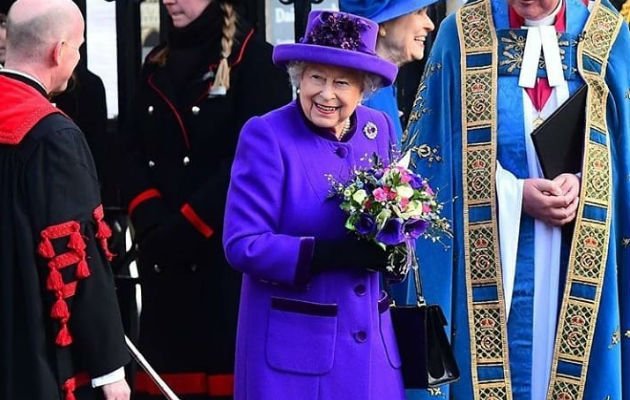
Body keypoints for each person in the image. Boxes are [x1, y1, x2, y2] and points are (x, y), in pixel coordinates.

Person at [404, 0, 630, 397]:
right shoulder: (459, 35)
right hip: (488, 254)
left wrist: (586, 180)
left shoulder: (606, 35)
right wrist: (510, 193)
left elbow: (623, 146)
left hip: (577, 246)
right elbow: (428, 156)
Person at [223, 10, 405, 400]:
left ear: (364, 88)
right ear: (298, 77)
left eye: (341, 82)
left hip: (372, 350)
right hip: (296, 359)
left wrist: (397, 250)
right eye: (315, 77)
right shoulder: (267, 135)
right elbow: (243, 243)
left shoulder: (380, 128)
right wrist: (326, 254)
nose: (326, 94)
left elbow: (399, 209)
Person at [121, 0, 292, 398]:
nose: (168, 0)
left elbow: (252, 158)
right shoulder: (156, 64)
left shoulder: (255, 59)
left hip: (223, 250)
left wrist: (189, 221)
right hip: (162, 251)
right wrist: (149, 218)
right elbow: (127, 150)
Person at [0, 0, 131, 399]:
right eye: (78, 46)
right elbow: (74, 256)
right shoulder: (53, 136)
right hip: (28, 343)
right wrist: (110, 369)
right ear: (59, 51)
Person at [339, 0, 438, 142]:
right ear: (383, 25)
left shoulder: (381, 84)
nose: (430, 25)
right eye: (418, 12)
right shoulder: (358, 94)